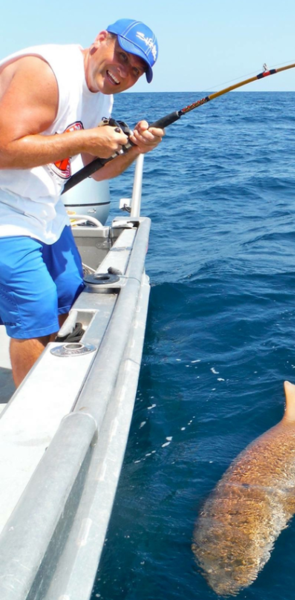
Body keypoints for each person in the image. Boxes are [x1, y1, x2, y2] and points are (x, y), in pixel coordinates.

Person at [0, 19, 164, 387]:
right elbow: (3, 150)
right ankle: (36, 416)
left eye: (136, 71)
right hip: (4, 212)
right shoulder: (46, 72)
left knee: (69, 295)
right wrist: (86, 138)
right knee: (37, 309)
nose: (124, 72)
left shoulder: (101, 94)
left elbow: (99, 172)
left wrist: (135, 150)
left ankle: (51, 382)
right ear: (100, 40)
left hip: (44, 210)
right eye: (122, 57)